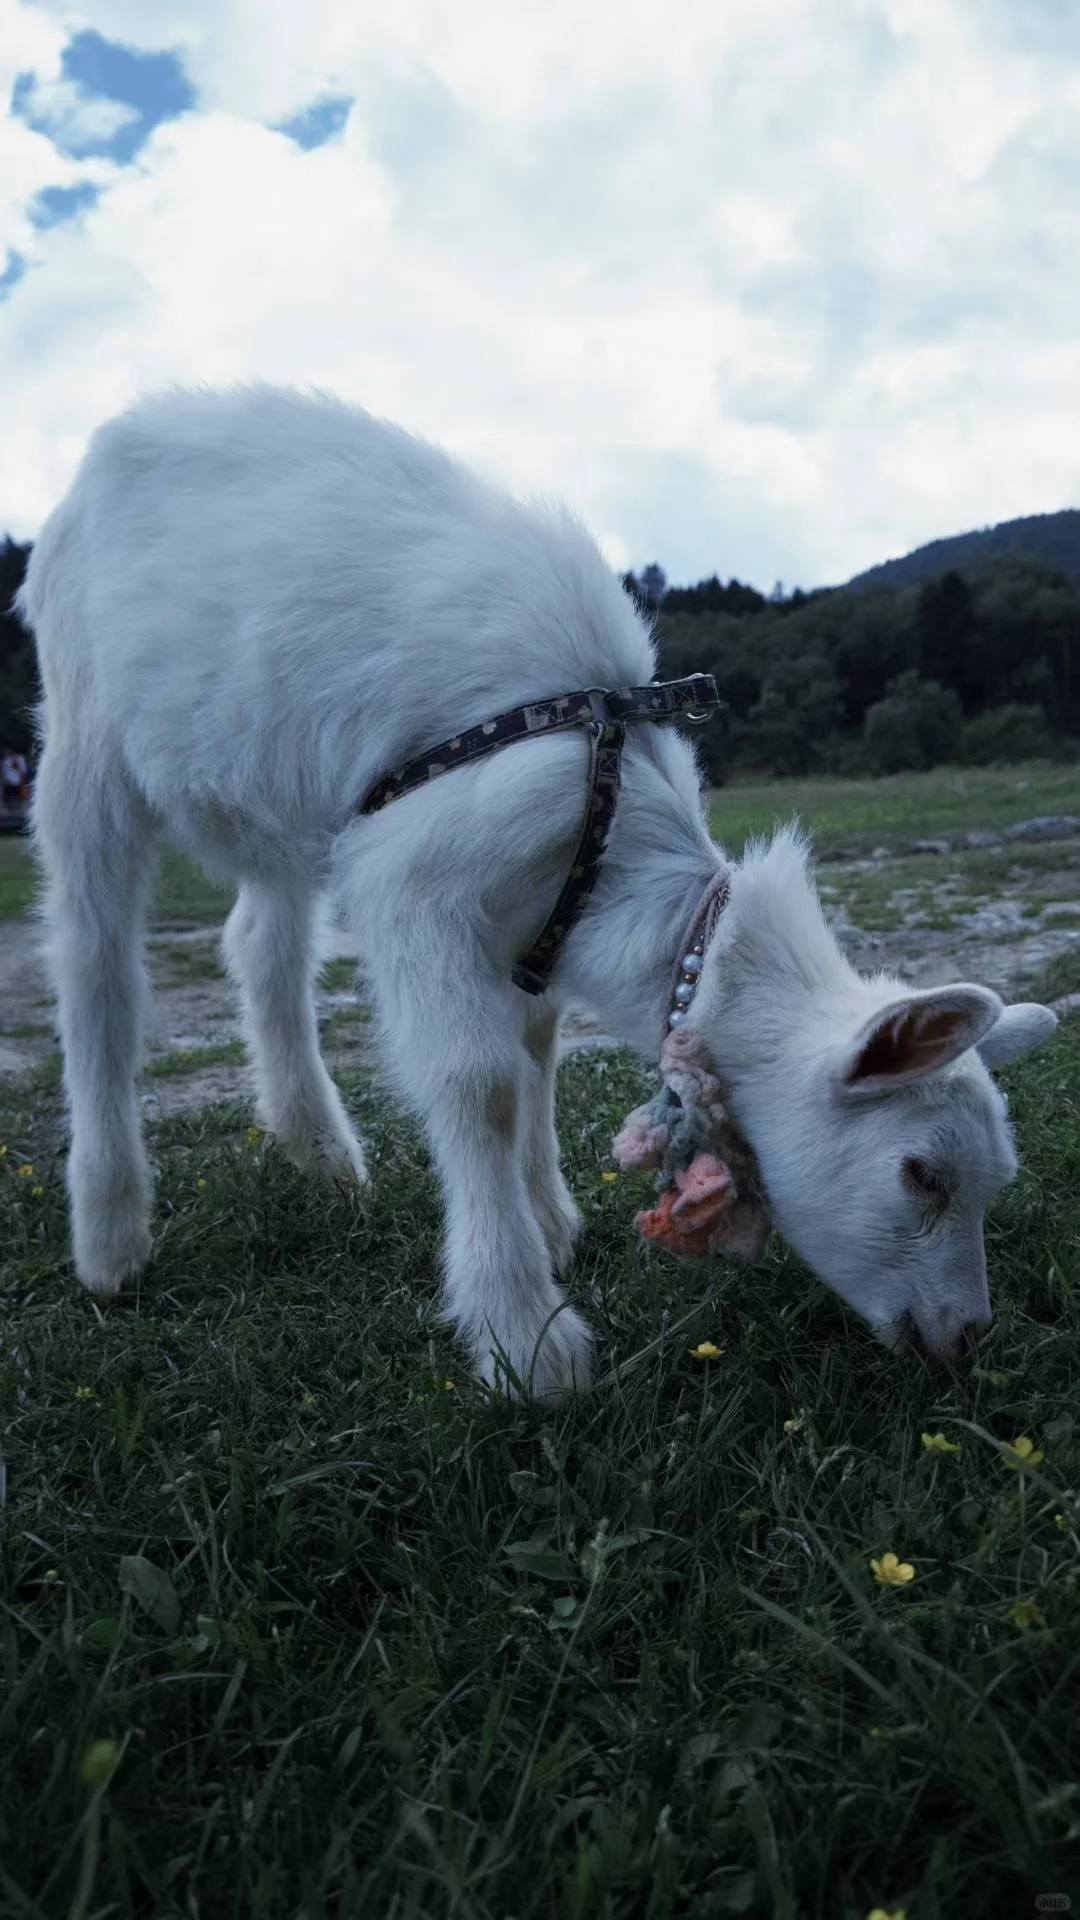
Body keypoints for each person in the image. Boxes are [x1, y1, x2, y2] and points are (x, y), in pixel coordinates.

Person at [1, 747, 28, 812]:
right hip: (8, 782)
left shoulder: (20, 759)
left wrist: (17, 766)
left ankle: (18, 809)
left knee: (18, 797)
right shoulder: (6, 760)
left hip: (17, 782)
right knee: (8, 798)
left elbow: (24, 771)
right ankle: (10, 809)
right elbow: (4, 771)